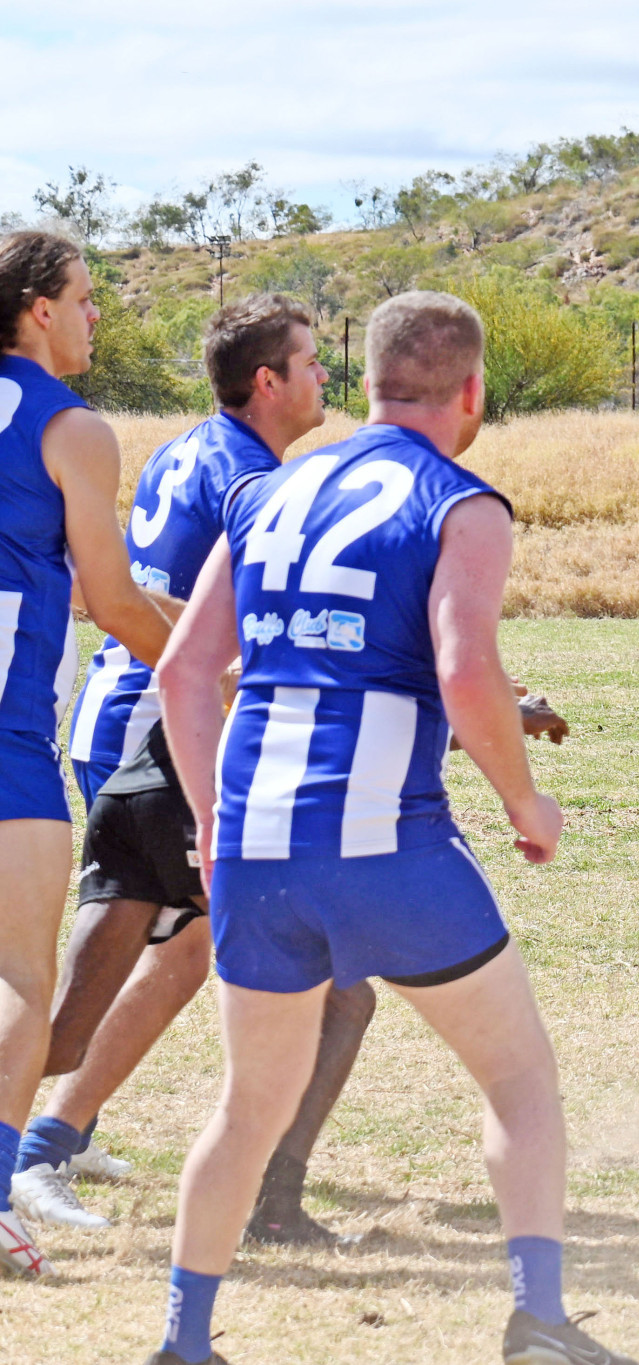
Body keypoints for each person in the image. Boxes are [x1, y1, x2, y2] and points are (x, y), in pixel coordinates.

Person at [147, 291, 634, 1365]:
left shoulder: (264, 492)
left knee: (245, 1109)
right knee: (517, 1078)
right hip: (386, 841)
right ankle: (539, 1321)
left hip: (260, 850)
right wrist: (526, 805)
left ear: (366, 385)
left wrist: (214, 823)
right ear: (472, 394)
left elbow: (183, 672)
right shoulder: (463, 504)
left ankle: (183, 1342)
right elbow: (464, 674)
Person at [10, 296, 377, 1245]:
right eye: (309, 361)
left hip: (127, 721)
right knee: (180, 965)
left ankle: (51, 1133)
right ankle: (38, 1149)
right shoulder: (253, 481)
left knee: (180, 950)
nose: (324, 377)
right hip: (164, 736)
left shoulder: (193, 448)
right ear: (269, 381)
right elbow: (238, 628)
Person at [0, 231, 179, 1279]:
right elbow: (108, 599)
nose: (94, 316)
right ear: (36, 310)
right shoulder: (71, 427)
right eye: (84, 298)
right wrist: (210, 668)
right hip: (10, 739)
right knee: (20, 976)